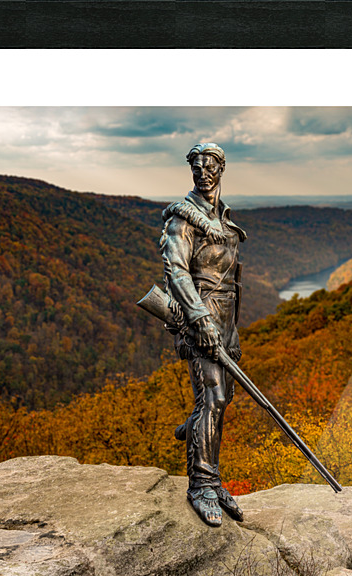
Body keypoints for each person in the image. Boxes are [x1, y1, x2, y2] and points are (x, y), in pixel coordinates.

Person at [159, 143, 246, 527]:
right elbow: (176, 273)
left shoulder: (224, 220)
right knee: (214, 398)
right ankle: (202, 484)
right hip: (200, 318)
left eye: (210, 165)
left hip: (226, 321)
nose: (203, 171)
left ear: (222, 167)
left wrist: (233, 331)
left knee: (219, 402)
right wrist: (200, 320)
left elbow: (233, 282)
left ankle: (197, 437)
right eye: (197, 165)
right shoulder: (183, 219)